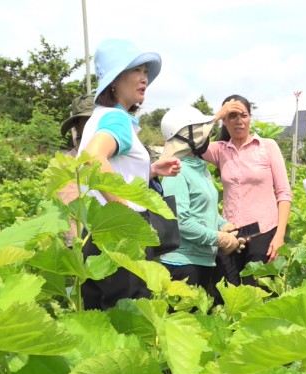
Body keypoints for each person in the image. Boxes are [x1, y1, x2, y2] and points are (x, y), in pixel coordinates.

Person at [76, 38, 182, 311]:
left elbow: (105, 164)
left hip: (98, 233)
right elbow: (93, 160)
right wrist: (125, 212)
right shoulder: (117, 118)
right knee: (131, 319)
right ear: (114, 80)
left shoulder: (98, 117)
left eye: (145, 72)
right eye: (136, 71)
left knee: (101, 319)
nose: (143, 78)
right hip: (123, 235)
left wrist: (149, 170)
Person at [202, 95, 292, 288]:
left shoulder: (267, 146)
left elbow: (284, 193)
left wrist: (280, 236)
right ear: (225, 122)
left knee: (258, 293)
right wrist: (217, 116)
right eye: (232, 116)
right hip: (231, 234)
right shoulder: (219, 150)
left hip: (264, 233)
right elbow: (191, 144)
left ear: (250, 117)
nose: (239, 121)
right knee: (222, 294)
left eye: (243, 115)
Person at [157, 106, 244, 289]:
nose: (208, 138)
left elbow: (205, 209)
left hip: (203, 260)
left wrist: (223, 226)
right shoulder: (176, 170)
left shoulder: (200, 168)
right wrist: (217, 238)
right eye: (203, 133)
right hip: (182, 263)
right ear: (189, 136)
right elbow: (180, 221)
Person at [58, 94, 95, 247]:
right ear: (77, 126)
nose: (92, 126)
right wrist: (77, 247)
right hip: (88, 240)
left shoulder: (116, 154)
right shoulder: (69, 162)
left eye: (95, 120)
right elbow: (70, 209)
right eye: (86, 121)